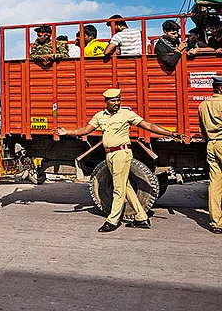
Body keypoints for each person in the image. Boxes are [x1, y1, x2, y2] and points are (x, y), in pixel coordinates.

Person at [54, 89, 183, 232]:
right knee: (125, 186)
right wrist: (68, 132)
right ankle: (141, 217)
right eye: (113, 100)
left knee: (118, 189)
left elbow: (148, 125)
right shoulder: (100, 116)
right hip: (109, 155)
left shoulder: (127, 114)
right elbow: (85, 130)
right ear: (106, 102)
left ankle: (112, 221)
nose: (117, 103)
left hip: (122, 153)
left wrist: (170, 133)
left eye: (118, 100)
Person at [197, 75, 222, 234]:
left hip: (211, 144)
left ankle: (216, 223)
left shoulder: (203, 105)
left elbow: (202, 129)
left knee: (215, 183)